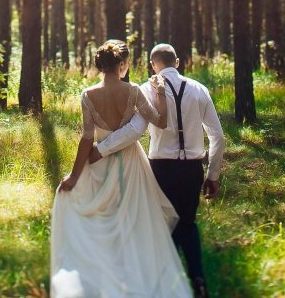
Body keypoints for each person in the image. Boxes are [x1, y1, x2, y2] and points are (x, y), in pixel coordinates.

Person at [50, 40, 194, 298]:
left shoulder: (88, 95)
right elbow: (161, 122)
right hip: (131, 163)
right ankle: (132, 277)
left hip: (100, 163)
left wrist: (74, 175)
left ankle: (108, 278)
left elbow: (86, 139)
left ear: (99, 65)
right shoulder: (134, 91)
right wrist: (160, 92)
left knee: (105, 218)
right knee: (132, 221)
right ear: (122, 64)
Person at [89, 43, 225, 298]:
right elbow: (217, 136)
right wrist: (212, 175)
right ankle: (197, 280)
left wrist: (101, 149)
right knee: (187, 222)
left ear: (153, 64)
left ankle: (165, 285)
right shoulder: (199, 89)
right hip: (192, 169)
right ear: (177, 62)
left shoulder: (146, 89)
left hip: (160, 168)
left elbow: (134, 131)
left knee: (164, 226)